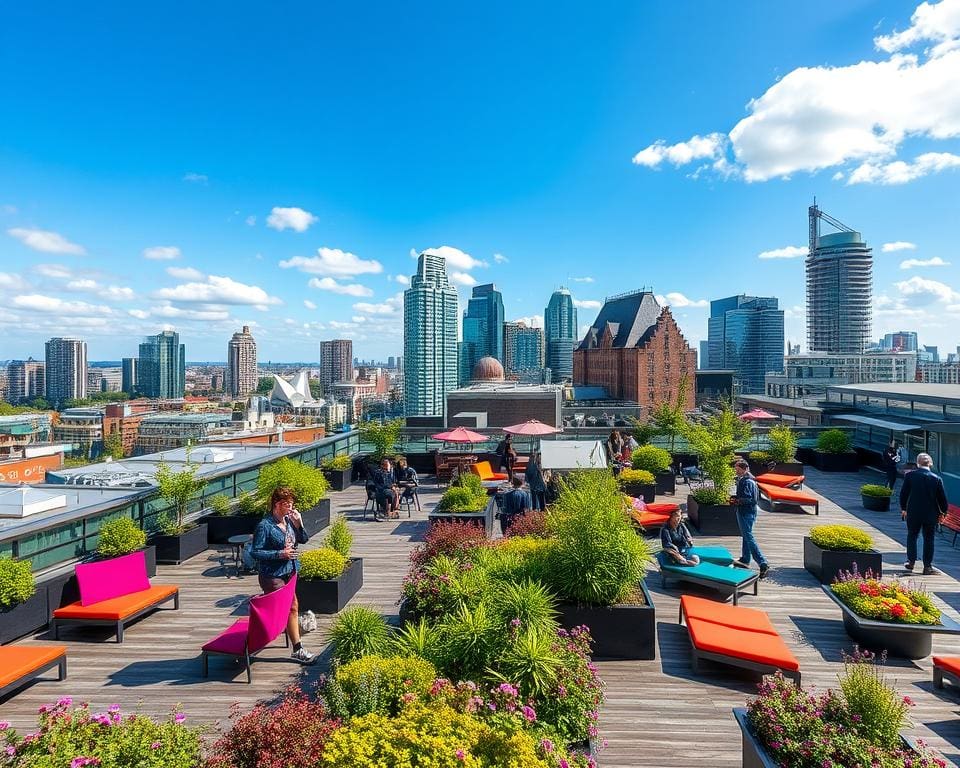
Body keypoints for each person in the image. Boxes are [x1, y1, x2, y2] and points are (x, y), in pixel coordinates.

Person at [249, 486, 316, 664]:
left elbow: (303, 539)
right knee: (288, 607)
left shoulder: (289, 520)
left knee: (290, 607)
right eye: (288, 504)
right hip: (273, 575)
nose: (291, 508)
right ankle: (296, 648)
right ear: (277, 504)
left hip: (290, 571)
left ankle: (291, 643)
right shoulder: (265, 525)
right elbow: (255, 552)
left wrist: (299, 523)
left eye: (292, 504)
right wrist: (279, 554)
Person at [900, 452, 949, 575]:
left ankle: (911, 562)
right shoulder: (936, 478)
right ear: (930, 464)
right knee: (929, 539)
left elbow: (903, 494)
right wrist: (943, 512)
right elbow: (942, 499)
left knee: (912, 536)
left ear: (917, 463)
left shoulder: (910, 476)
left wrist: (904, 509)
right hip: (930, 514)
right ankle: (927, 567)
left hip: (914, 512)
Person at [731, 459, 770, 578]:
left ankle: (762, 563)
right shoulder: (750, 480)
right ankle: (745, 558)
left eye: (738, 470)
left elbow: (751, 499)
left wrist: (737, 501)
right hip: (749, 512)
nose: (736, 472)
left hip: (745, 512)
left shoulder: (747, 482)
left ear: (744, 469)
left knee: (748, 536)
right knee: (746, 535)